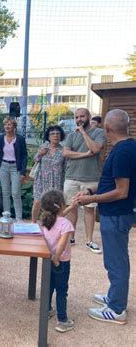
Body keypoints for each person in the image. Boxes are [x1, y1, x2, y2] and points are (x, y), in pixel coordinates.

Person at [75, 109, 136, 325]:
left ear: (107, 128)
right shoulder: (130, 147)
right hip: (121, 213)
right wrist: (92, 191)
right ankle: (114, 296)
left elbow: (121, 191)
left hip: (116, 214)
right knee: (116, 259)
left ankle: (117, 309)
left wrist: (91, 199)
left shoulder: (121, 152)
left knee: (116, 261)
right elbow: (113, 183)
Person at [62, 107, 105, 253]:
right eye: (76, 117)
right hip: (71, 177)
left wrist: (83, 132)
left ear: (88, 117)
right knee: (71, 208)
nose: (79, 120)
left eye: (82, 116)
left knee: (89, 209)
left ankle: (89, 240)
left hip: (91, 178)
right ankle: (71, 237)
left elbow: (95, 149)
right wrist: (85, 155)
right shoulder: (71, 135)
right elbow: (66, 153)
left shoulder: (98, 132)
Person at [40, 190, 76, 333]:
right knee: (62, 291)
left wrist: (71, 207)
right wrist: (56, 258)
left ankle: (47, 310)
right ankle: (62, 320)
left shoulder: (45, 221)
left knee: (49, 287)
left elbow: (58, 216)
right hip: (61, 262)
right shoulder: (66, 224)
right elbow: (62, 243)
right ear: (61, 205)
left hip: (47, 260)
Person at [31, 125, 66, 223]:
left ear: (61, 136)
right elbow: (35, 160)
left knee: (54, 203)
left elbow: (66, 166)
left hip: (56, 180)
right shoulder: (43, 147)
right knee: (37, 201)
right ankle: (33, 222)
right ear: (49, 136)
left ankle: (51, 223)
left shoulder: (63, 150)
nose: (55, 136)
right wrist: (40, 154)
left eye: (58, 133)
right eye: (52, 134)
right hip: (41, 179)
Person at [0, 116, 28, 221]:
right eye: (5, 124)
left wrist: (23, 172)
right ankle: (6, 216)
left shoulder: (20, 139)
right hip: (3, 166)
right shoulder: (0, 138)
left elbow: (24, 156)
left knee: (15, 193)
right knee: (5, 193)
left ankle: (19, 218)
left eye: (9, 124)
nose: (7, 126)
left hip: (15, 167)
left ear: (14, 126)